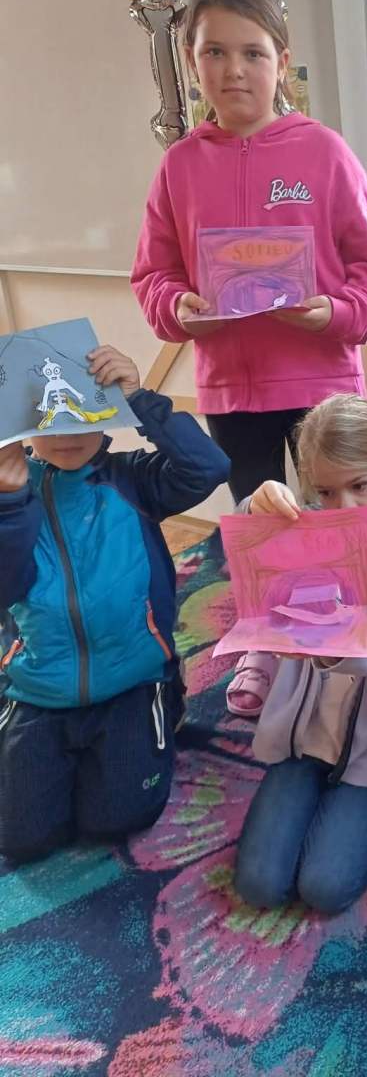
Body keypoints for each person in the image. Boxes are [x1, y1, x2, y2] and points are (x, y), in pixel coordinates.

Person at [131, 0, 367, 718]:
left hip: (321, 384)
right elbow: (152, 277)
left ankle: (355, 655)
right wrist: (179, 307)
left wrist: (334, 313)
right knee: (258, 522)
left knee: (338, 522)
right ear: (192, 63)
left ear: (283, 58)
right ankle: (266, 644)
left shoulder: (326, 154)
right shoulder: (179, 166)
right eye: (214, 52)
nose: (234, 70)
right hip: (233, 388)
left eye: (252, 52)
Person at [0, 345, 230, 862]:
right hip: (40, 690)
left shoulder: (132, 479)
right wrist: (9, 508)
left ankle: (163, 705)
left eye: (81, 414)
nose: (67, 434)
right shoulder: (12, 492)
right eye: (50, 420)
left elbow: (210, 467)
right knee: (21, 837)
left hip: (131, 681)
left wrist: (140, 399)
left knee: (118, 819)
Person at [233, 395, 367, 915]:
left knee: (325, 887)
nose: (344, 508)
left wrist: (327, 645)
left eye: (360, 486)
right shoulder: (306, 529)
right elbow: (246, 556)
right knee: (260, 885)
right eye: (326, 492)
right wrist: (254, 510)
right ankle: (334, 812)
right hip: (300, 738)